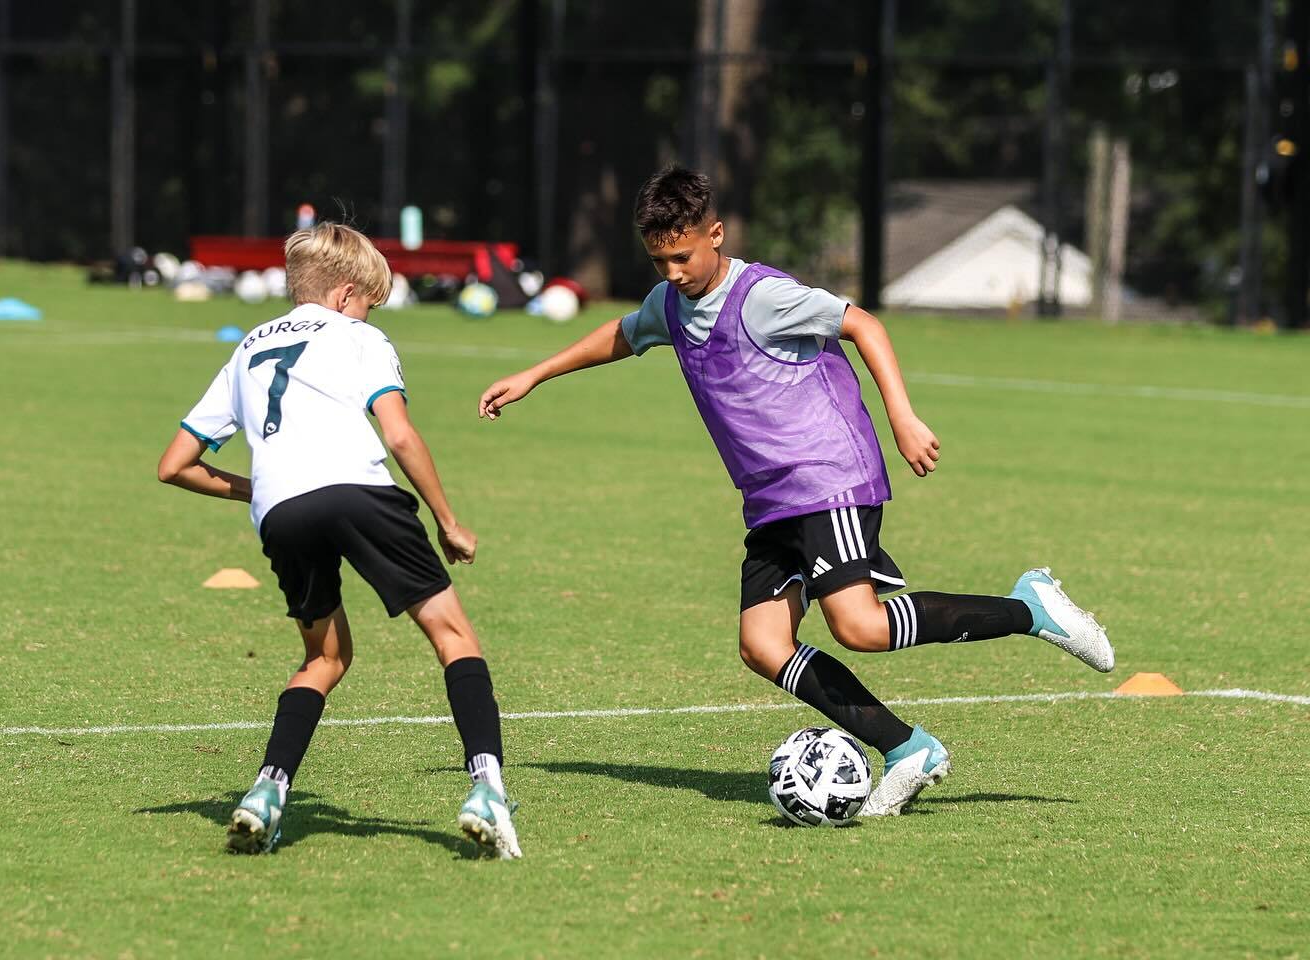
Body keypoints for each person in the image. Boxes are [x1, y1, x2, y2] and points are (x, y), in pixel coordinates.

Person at [478, 166, 1112, 817]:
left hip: (827, 475)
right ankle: (908, 748)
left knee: (859, 625)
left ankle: (1030, 608)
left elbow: (862, 324)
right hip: (772, 498)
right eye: (658, 260)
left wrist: (902, 416)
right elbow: (624, 333)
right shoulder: (670, 304)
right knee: (763, 645)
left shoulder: (764, 297)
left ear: (716, 234)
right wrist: (535, 374)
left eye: (682, 256)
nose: (671, 272)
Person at [158, 222, 521, 857]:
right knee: (453, 635)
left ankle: (267, 791)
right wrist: (448, 522)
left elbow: (175, 464)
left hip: (281, 510)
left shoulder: (245, 347)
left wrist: (264, 487)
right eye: (370, 302)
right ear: (345, 294)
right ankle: (487, 788)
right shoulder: (360, 336)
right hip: (359, 492)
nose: (371, 313)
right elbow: (400, 436)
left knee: (324, 659)